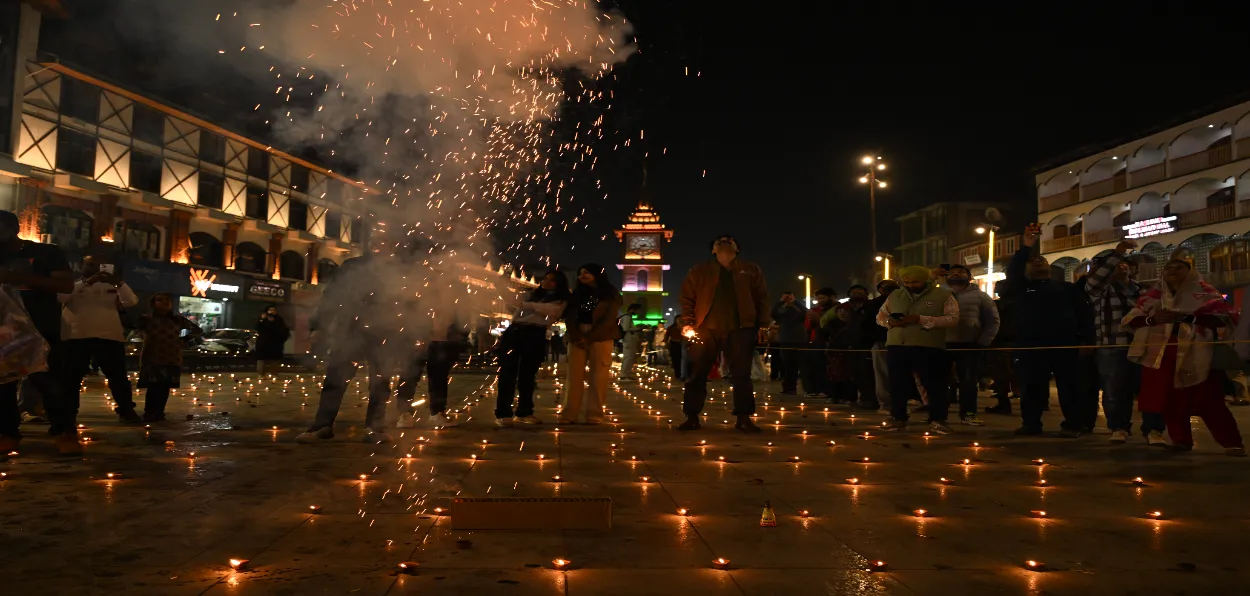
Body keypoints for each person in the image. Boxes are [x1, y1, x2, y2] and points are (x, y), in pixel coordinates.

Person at [1124, 260, 1244, 455]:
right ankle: (1180, 440)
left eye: (1178, 267)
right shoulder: (1152, 296)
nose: (1172, 270)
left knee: (1209, 400)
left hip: (1197, 353)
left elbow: (1224, 317)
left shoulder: (1204, 292)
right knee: (1170, 401)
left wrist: (1188, 317)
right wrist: (1153, 319)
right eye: (1168, 268)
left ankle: (1232, 442)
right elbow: (1131, 320)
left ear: (1190, 272)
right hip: (1161, 354)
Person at [0, 210, 76, 455]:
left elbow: (65, 285)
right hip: (4, 333)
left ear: (14, 229)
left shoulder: (46, 253)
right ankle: (8, 433)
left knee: (50, 384)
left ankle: (64, 431)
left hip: (41, 329)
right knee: (3, 386)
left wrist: (20, 278)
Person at [677, 234, 770, 433]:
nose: (725, 240)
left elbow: (762, 298)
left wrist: (763, 325)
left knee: (742, 376)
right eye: (719, 240)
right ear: (713, 250)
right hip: (704, 329)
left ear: (737, 249)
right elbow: (687, 297)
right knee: (697, 375)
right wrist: (688, 322)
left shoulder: (751, 270)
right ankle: (692, 416)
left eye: (730, 240)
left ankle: (744, 418)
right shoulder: (700, 270)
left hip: (741, 329)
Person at [1005, 224, 1092, 436]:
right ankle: (1031, 423)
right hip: (1030, 344)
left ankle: (1073, 424)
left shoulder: (1067, 289)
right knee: (1031, 387)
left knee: (1070, 386)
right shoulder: (1021, 288)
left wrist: (1086, 340)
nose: (1038, 261)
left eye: (1042, 260)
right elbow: (1014, 271)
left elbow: (1084, 315)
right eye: (1033, 260)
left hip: (1064, 343)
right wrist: (1027, 246)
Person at [1085, 240, 1167, 445]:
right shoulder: (1099, 291)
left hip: (1144, 347)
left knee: (1150, 389)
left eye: (1126, 263)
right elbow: (1095, 280)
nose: (1121, 265)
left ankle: (1154, 430)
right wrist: (1118, 252)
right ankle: (1119, 427)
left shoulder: (1144, 291)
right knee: (1115, 391)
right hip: (1113, 346)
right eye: (1115, 264)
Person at [875, 266, 959, 433]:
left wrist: (921, 319)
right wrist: (890, 322)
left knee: (935, 384)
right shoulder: (895, 295)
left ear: (926, 281)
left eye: (915, 282)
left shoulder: (944, 296)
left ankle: (938, 419)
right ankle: (898, 418)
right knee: (897, 385)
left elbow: (952, 319)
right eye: (907, 282)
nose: (910, 285)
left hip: (929, 346)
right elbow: (880, 316)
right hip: (898, 345)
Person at [61, 255, 141, 424]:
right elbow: (61, 297)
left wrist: (118, 282)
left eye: (99, 265)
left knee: (118, 377)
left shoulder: (114, 286)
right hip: (76, 335)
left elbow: (131, 301)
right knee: (71, 377)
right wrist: (88, 282)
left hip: (109, 335)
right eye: (90, 265)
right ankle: (67, 414)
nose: (95, 268)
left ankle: (126, 410)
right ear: (81, 266)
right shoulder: (73, 284)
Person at [495, 271, 569, 426]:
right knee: (507, 373)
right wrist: (501, 281)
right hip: (515, 331)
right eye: (545, 278)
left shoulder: (561, 300)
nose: (546, 282)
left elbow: (551, 311)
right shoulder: (530, 294)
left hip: (536, 333)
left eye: (552, 281)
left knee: (527, 375)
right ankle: (503, 413)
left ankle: (524, 411)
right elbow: (510, 298)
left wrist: (525, 305)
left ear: (559, 284)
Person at [563, 264, 622, 424]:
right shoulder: (576, 294)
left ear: (597, 274)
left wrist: (590, 336)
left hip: (601, 335)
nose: (582, 275)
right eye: (580, 273)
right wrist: (576, 335)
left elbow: (609, 319)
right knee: (573, 376)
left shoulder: (609, 294)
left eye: (587, 272)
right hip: (578, 333)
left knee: (599, 375)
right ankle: (569, 414)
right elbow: (569, 317)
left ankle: (594, 414)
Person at [943, 264, 1000, 426]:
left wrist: (983, 342)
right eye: (952, 272)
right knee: (939, 382)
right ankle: (938, 416)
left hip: (970, 344)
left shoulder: (981, 297)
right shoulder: (940, 295)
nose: (956, 274)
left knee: (968, 382)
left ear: (969, 277)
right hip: (942, 344)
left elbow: (993, 321)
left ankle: (968, 414)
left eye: (960, 272)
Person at [135, 293, 202, 422]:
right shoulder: (146, 319)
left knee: (165, 387)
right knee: (153, 386)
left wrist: (183, 340)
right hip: (152, 356)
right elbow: (132, 328)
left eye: (167, 300)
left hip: (171, 356)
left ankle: (160, 412)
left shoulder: (177, 319)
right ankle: (149, 412)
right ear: (153, 303)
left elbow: (197, 330)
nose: (164, 302)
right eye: (160, 300)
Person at [863, 279, 898, 413]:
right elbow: (868, 324)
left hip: (902, 340)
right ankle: (886, 403)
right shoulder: (873, 304)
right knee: (882, 374)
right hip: (882, 341)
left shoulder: (905, 301)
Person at [802, 287, 837, 397]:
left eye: (822, 298)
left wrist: (818, 319)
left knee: (829, 368)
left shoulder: (838, 309)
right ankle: (815, 389)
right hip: (816, 341)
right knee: (815, 367)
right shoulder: (816, 310)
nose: (820, 301)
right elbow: (809, 327)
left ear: (831, 297)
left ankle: (829, 391)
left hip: (832, 341)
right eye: (818, 299)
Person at [770, 291, 807, 395]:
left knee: (799, 365)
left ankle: (804, 388)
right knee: (788, 366)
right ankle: (789, 387)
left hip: (799, 341)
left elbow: (805, 312)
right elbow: (773, 313)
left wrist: (794, 301)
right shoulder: (782, 316)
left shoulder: (799, 315)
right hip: (786, 341)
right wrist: (781, 301)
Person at [255, 306, 289, 374]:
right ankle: (261, 374)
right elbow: (258, 328)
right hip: (263, 343)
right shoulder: (263, 319)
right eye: (270, 309)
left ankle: (274, 373)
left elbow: (284, 330)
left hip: (276, 343)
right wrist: (261, 320)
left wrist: (281, 339)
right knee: (261, 359)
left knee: (275, 360)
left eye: (274, 310)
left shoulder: (279, 319)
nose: (272, 311)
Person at [619, 303, 644, 381]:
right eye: (637, 310)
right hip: (628, 339)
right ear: (633, 309)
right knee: (628, 357)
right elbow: (625, 328)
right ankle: (624, 375)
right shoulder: (627, 317)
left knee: (630, 357)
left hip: (630, 339)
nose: (638, 312)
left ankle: (626, 374)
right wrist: (638, 329)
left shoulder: (628, 317)